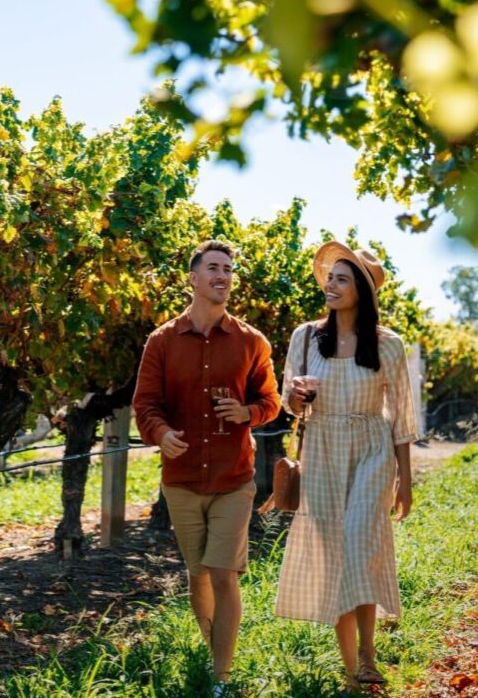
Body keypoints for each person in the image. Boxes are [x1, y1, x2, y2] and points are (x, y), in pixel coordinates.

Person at [133, 240, 282, 696]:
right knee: (197, 573)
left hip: (233, 477)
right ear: (193, 278)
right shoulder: (161, 340)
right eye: (214, 268)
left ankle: (221, 677)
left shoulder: (251, 341)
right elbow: (145, 404)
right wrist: (161, 435)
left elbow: (271, 401)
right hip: (180, 480)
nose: (223, 276)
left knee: (223, 572)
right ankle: (214, 649)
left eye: (229, 270)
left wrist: (247, 414)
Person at [275, 242, 418, 691]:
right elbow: (289, 403)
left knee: (358, 544)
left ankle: (370, 656)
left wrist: (406, 482)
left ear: (362, 290)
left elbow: (401, 418)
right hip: (322, 450)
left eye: (342, 278)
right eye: (329, 278)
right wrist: (297, 399)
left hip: (371, 450)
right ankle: (353, 666)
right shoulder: (305, 337)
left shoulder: (388, 345)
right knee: (337, 556)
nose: (330, 285)